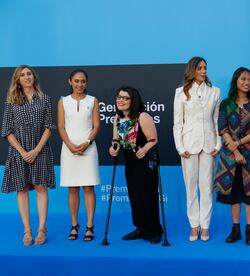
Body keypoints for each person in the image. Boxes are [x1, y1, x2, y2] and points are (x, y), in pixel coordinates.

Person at [1, 65, 56, 245]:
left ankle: (41, 228)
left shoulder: (45, 99)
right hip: (19, 152)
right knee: (22, 189)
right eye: (22, 75)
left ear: (34, 77)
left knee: (41, 187)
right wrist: (23, 152)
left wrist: (36, 150)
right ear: (17, 80)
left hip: (40, 150)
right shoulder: (11, 101)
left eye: (29, 74)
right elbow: (7, 130)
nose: (26, 77)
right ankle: (27, 230)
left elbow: (49, 126)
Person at [214, 67, 250, 246]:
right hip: (230, 156)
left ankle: (249, 231)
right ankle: (235, 230)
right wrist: (235, 151)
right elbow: (222, 129)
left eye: (249, 79)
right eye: (243, 79)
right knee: (234, 194)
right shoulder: (225, 104)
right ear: (236, 81)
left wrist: (240, 143)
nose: (246, 82)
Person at [173, 56, 221, 241]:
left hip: (209, 145)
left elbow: (217, 121)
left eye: (205, 68)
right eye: (200, 68)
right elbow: (178, 123)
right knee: (191, 188)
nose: (203, 71)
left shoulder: (215, 92)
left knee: (207, 187)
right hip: (188, 145)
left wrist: (218, 143)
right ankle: (194, 225)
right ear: (192, 70)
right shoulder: (180, 93)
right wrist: (179, 146)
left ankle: (205, 225)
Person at [109, 86, 163, 244]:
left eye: (125, 98)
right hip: (129, 161)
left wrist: (144, 149)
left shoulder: (143, 116)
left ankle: (154, 230)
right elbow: (116, 139)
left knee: (147, 196)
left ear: (133, 101)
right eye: (119, 97)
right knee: (134, 196)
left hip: (145, 162)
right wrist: (113, 148)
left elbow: (153, 139)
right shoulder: (117, 118)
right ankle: (140, 227)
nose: (121, 100)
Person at [57, 69, 100, 241]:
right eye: (76, 81)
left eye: (83, 81)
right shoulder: (63, 102)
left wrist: (86, 143)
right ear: (70, 82)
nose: (79, 84)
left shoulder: (93, 101)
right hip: (68, 150)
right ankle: (74, 225)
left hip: (88, 149)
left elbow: (96, 126)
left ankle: (90, 226)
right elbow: (61, 126)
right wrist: (69, 145)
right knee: (72, 188)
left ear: (86, 83)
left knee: (89, 188)